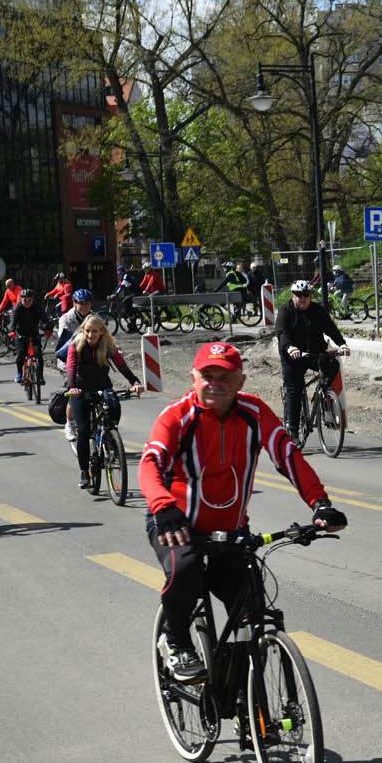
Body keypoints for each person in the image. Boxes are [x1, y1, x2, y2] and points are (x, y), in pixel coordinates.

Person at [139, 341, 346, 680]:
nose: (215, 383)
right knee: (186, 569)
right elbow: (150, 464)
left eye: (225, 377)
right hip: (176, 522)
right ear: (193, 378)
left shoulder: (253, 412)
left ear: (241, 382)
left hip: (230, 529)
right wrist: (164, 508)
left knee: (252, 615)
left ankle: (242, 705)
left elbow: (287, 455)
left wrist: (319, 503)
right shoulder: (177, 416)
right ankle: (176, 642)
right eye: (207, 375)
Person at [65, 315, 144, 488]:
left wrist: (135, 382)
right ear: (83, 331)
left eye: (95, 331)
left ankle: (110, 439)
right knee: (84, 431)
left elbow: (122, 366)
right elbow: (70, 367)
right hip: (80, 390)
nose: (90, 335)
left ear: (101, 332)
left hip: (102, 387)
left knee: (114, 406)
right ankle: (85, 472)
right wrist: (72, 387)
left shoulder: (107, 345)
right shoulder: (76, 346)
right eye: (87, 331)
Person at [275, 280, 349, 441]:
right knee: (294, 391)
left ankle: (322, 394)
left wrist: (342, 344)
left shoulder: (318, 310)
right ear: (293, 296)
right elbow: (282, 333)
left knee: (333, 364)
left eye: (306, 295)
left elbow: (331, 328)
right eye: (299, 295)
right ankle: (293, 432)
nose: (303, 298)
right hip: (293, 357)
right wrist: (290, 348)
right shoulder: (285, 311)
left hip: (315, 354)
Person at [10, 289, 44, 384]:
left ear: (33, 300)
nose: (27, 303)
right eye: (25, 300)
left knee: (38, 355)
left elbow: (44, 318)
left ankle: (40, 375)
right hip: (20, 335)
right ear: (21, 300)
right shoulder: (17, 308)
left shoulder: (37, 307)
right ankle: (19, 373)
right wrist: (12, 331)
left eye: (29, 300)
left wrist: (47, 328)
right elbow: (13, 321)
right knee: (20, 354)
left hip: (34, 334)